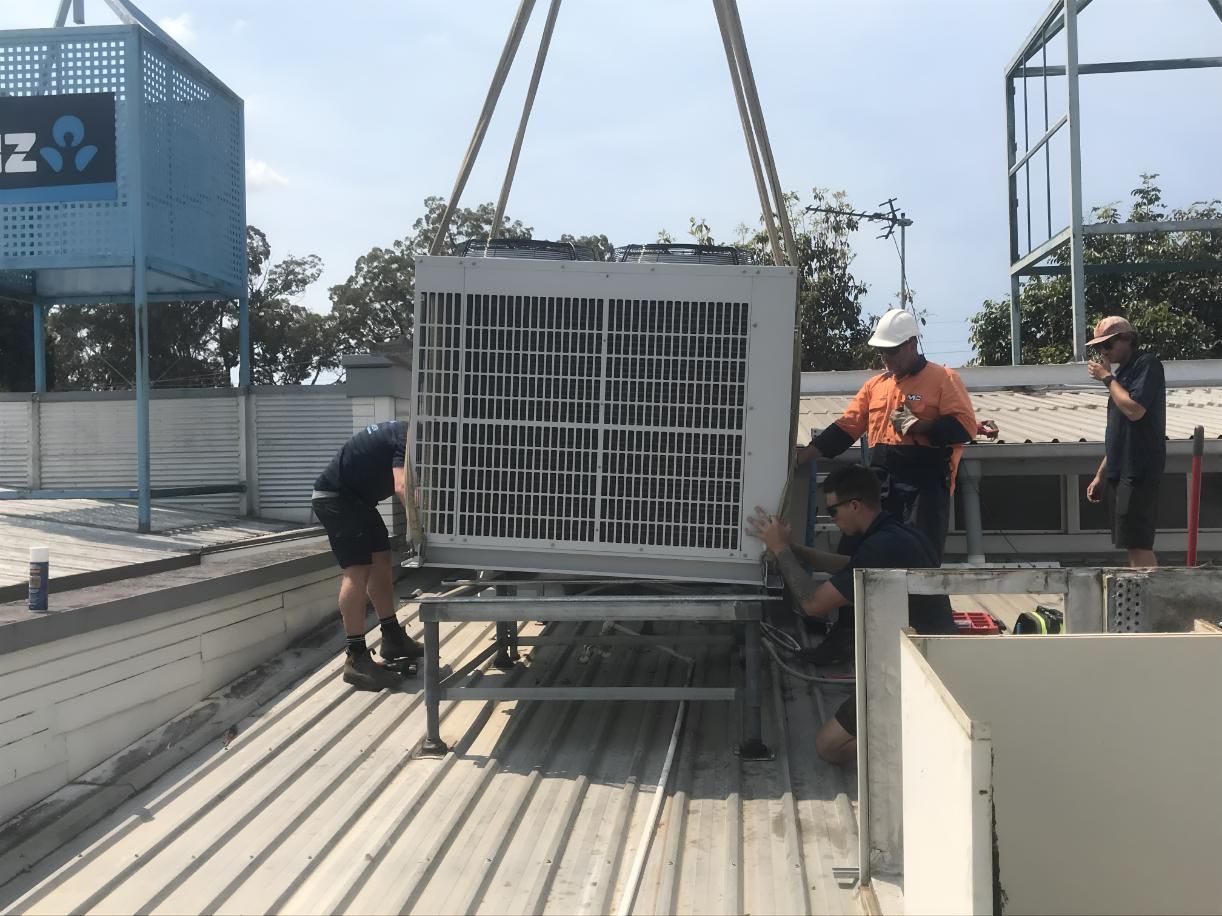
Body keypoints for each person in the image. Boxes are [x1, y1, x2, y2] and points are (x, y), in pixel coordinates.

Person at [795, 308, 975, 664]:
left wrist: (920, 426)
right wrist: (801, 457)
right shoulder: (876, 386)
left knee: (917, 566)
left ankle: (926, 645)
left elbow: (963, 430)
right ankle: (847, 638)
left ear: (911, 344)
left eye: (892, 351)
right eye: (882, 352)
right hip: (880, 483)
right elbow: (846, 428)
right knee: (855, 558)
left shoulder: (943, 379)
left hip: (923, 484)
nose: (886, 358)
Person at [747, 464, 957, 767]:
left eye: (833, 512)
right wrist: (791, 548)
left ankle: (925, 756)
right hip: (930, 658)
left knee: (829, 746)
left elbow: (813, 604)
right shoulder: (895, 533)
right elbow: (848, 565)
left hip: (913, 671)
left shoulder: (881, 547)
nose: (832, 519)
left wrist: (780, 550)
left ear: (855, 505)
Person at [312, 420, 424, 691]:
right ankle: (356, 658)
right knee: (358, 569)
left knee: (381, 559)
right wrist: (421, 527)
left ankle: (392, 635)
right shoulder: (407, 435)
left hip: (359, 501)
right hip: (336, 498)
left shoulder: (410, 433)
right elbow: (401, 485)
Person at [1084, 316, 1166, 568]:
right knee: (1131, 542)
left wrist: (1108, 379)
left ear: (1128, 339)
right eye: (1099, 347)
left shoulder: (1147, 364)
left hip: (1139, 468)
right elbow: (1121, 434)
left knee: (1139, 542)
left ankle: (1150, 601)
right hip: (1122, 469)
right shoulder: (1124, 376)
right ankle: (1143, 598)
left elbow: (1135, 410)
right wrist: (1101, 474)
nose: (1103, 352)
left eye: (1107, 345)